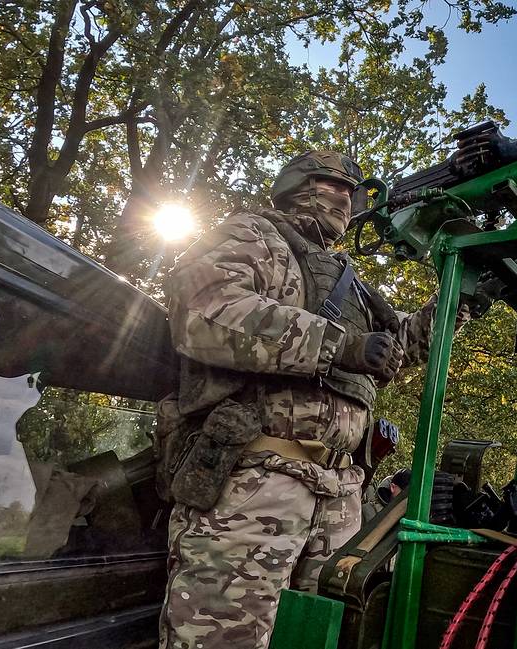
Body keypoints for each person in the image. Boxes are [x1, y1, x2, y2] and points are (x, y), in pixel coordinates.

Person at [157, 150, 487, 649]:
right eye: (336, 186)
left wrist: (459, 298)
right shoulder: (251, 234)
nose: (347, 201)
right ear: (298, 185)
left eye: (351, 194)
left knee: (324, 635)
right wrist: (340, 345)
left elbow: (402, 348)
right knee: (223, 636)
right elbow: (205, 313)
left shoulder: (349, 281)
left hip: (339, 490)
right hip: (256, 479)